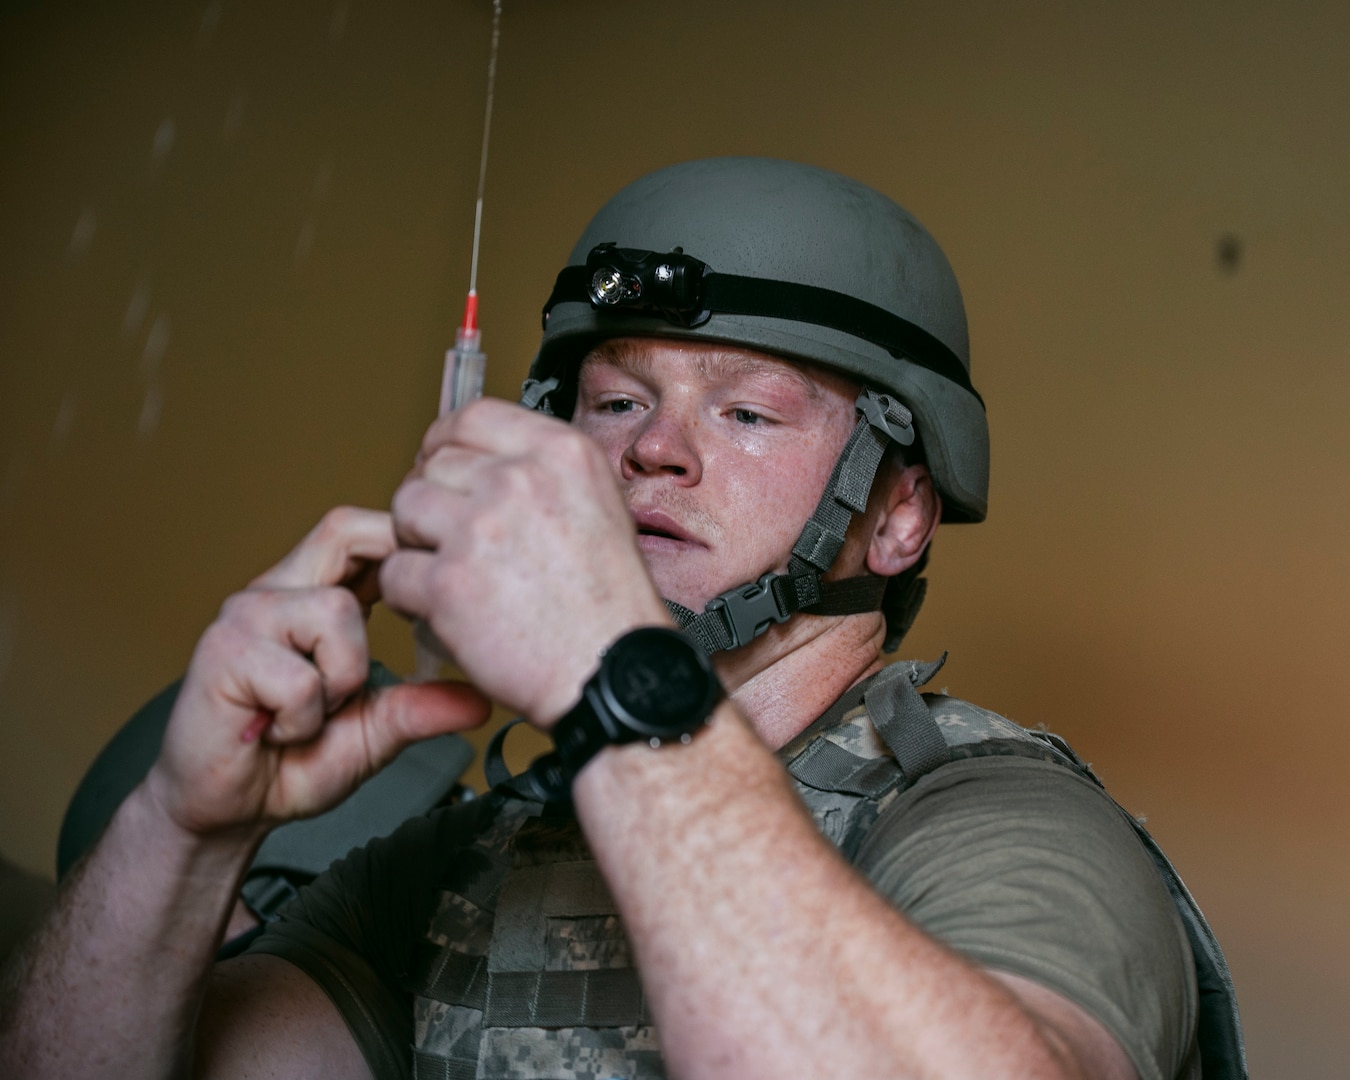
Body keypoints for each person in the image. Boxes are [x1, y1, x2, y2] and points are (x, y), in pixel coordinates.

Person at [0, 158, 1242, 1080]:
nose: (654, 450)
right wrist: (184, 826)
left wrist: (614, 673)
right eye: (612, 404)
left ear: (898, 513)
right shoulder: (469, 861)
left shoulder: (1002, 823)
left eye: (746, 413)